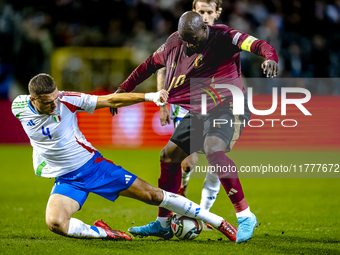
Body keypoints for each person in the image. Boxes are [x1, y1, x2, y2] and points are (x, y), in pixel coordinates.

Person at [11, 73, 238, 241]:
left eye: (55, 98)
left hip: (94, 168)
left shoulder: (67, 100)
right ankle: (105, 233)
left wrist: (150, 96)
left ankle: (218, 222)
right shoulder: (18, 106)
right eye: (47, 102)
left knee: (153, 195)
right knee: (56, 223)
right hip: (66, 179)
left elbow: (111, 100)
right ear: (33, 99)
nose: (54, 104)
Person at [118, 12, 279, 243]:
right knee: (168, 156)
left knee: (213, 149)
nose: (189, 45)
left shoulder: (224, 36)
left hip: (229, 105)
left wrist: (269, 57)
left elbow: (258, 44)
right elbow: (149, 65)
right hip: (200, 108)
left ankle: (245, 215)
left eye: (193, 39)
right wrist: (124, 89)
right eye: (185, 40)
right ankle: (164, 223)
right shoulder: (175, 42)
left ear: (204, 28)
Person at [158, 0, 222, 217]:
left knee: (216, 159)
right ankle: (183, 184)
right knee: (187, 163)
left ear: (217, 13)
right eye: (200, 11)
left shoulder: (225, 39)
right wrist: (163, 102)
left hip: (216, 107)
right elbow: (161, 67)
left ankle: (203, 212)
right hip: (187, 105)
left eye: (209, 12)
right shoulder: (180, 38)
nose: (204, 16)